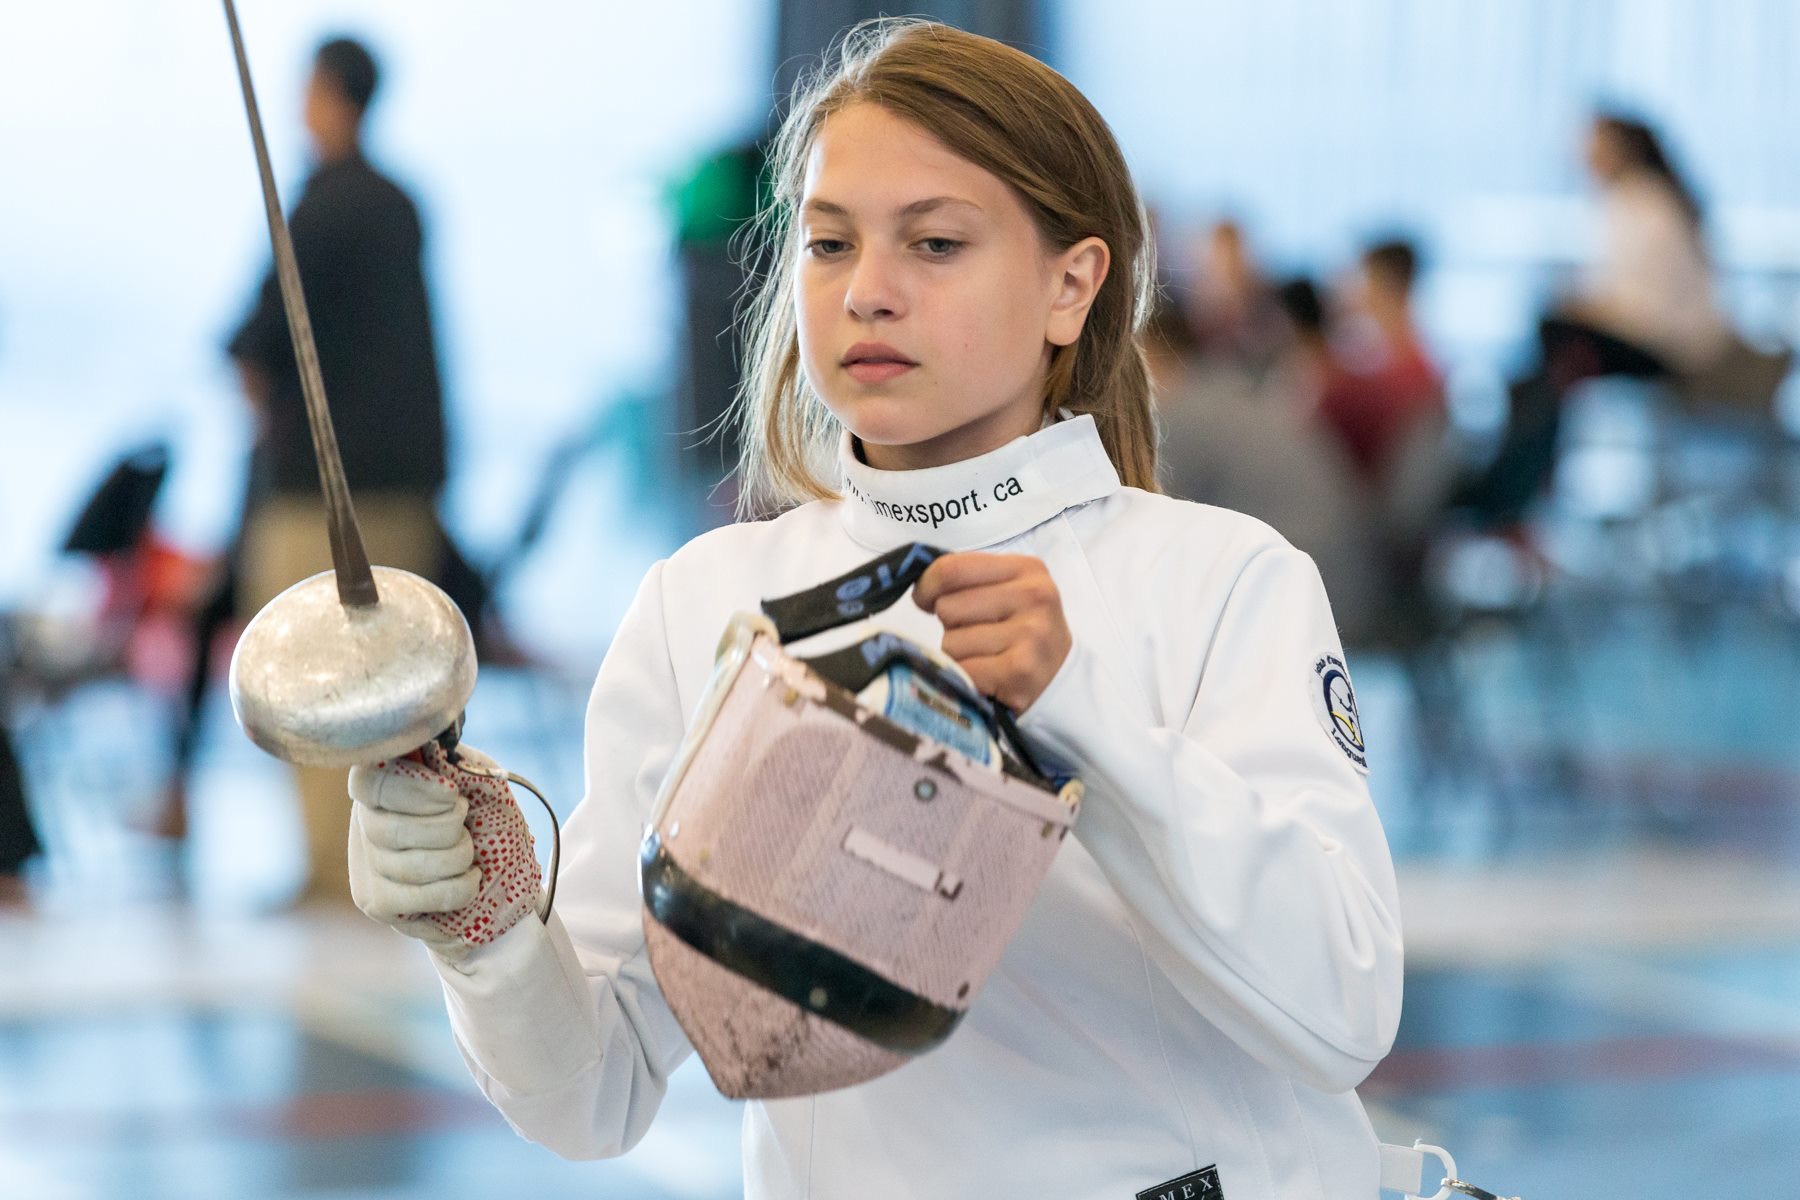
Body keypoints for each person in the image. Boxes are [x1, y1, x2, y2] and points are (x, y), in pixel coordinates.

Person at [345, 20, 1402, 1198]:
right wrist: (489, 934)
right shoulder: (704, 605)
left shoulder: (1220, 580)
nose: (869, 294)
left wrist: (1084, 716)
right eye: (829, 243)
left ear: (1071, 284)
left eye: (935, 243)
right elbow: (593, 1092)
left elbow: (1344, 1011)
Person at [227, 36, 448, 904]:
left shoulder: (317, 209)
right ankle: (404, 871)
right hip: (408, 478)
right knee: (396, 684)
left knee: (314, 679)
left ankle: (334, 878)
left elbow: (255, 346)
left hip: (324, 492)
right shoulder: (401, 203)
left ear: (324, 95)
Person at [1463, 111, 1727, 528]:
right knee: (1547, 366)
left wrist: (1585, 307)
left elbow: (1643, 308)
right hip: (1657, 339)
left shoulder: (1643, 204)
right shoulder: (1640, 200)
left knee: (1551, 341)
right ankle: (1524, 479)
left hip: (1672, 350)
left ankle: (1520, 487)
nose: (1583, 156)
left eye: (1593, 145)